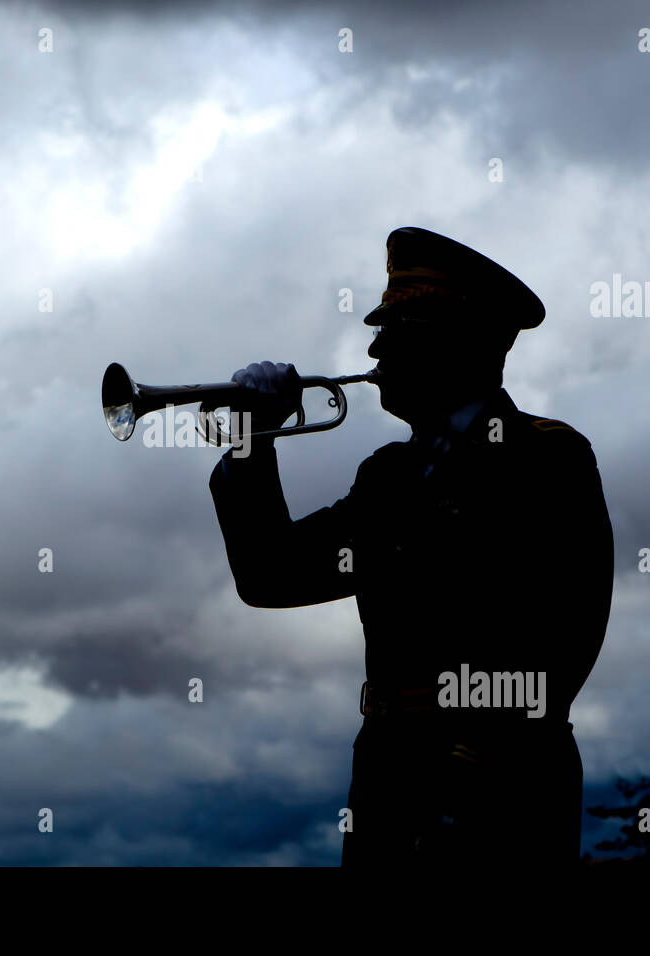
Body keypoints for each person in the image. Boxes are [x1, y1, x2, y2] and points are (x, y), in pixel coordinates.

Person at [208, 227, 613, 883]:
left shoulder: (545, 454)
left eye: (397, 328)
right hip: (387, 769)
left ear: (459, 338)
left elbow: (562, 636)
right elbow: (272, 576)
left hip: (502, 775)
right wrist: (254, 442)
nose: (373, 348)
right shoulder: (388, 476)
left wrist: (469, 775)